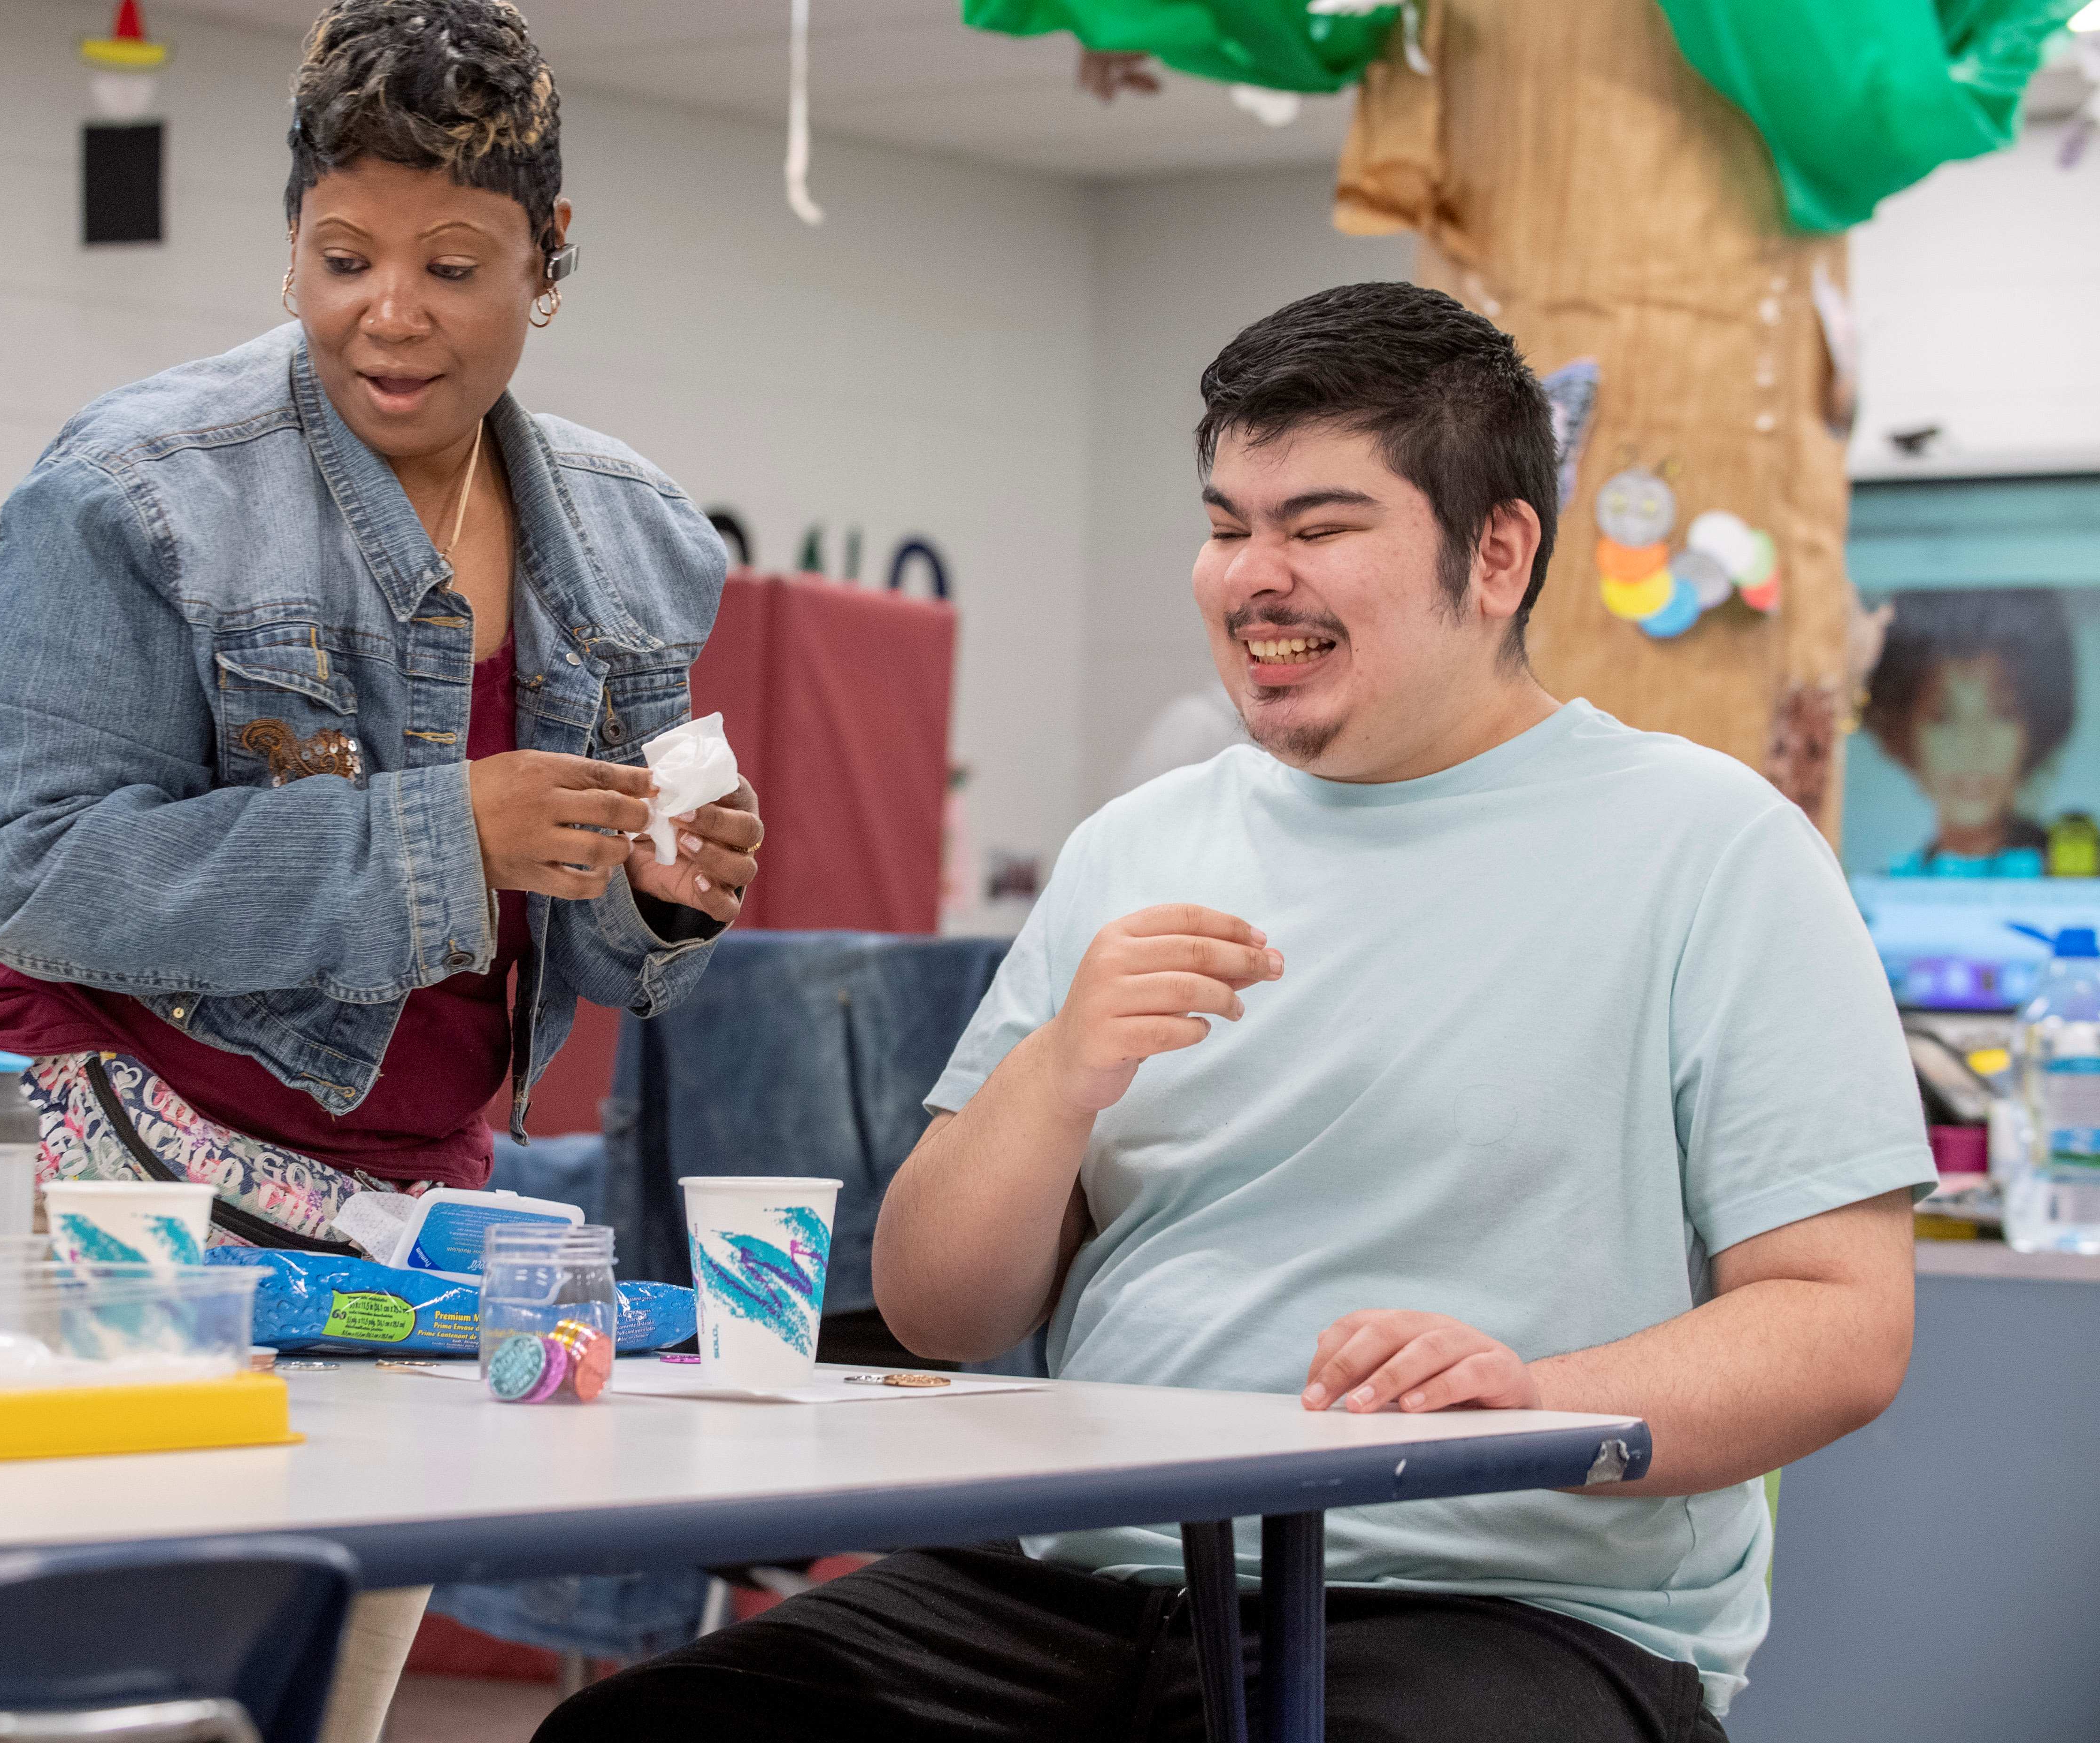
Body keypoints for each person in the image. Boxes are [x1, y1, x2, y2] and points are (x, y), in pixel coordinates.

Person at [542, 283, 1931, 1743]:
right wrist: (1054, 1077)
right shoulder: (1134, 846)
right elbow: (939, 1307)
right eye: (1223, 526)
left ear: (1498, 554)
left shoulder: (1709, 844)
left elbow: (1841, 1325)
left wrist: (1533, 1395)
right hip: (1077, 1568)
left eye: (1318, 528)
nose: (1249, 578)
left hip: (1490, 1602)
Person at [0, 3, 760, 1735]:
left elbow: (595, 936)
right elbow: (32, 869)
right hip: (44, 1133)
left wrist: (656, 891)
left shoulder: (633, 534)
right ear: (290, 245)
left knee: (304, 1706)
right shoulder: (133, 487)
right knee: (61, 1704)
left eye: (453, 265)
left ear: (548, 261)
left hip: (393, 1176)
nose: (385, 313)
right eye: (342, 256)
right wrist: (445, 831)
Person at [1861, 587, 2076, 876]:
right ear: (1905, 733)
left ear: (2034, 732)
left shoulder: (2077, 880)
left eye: (2001, 715)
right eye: (1944, 718)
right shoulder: (1888, 892)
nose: (1972, 748)